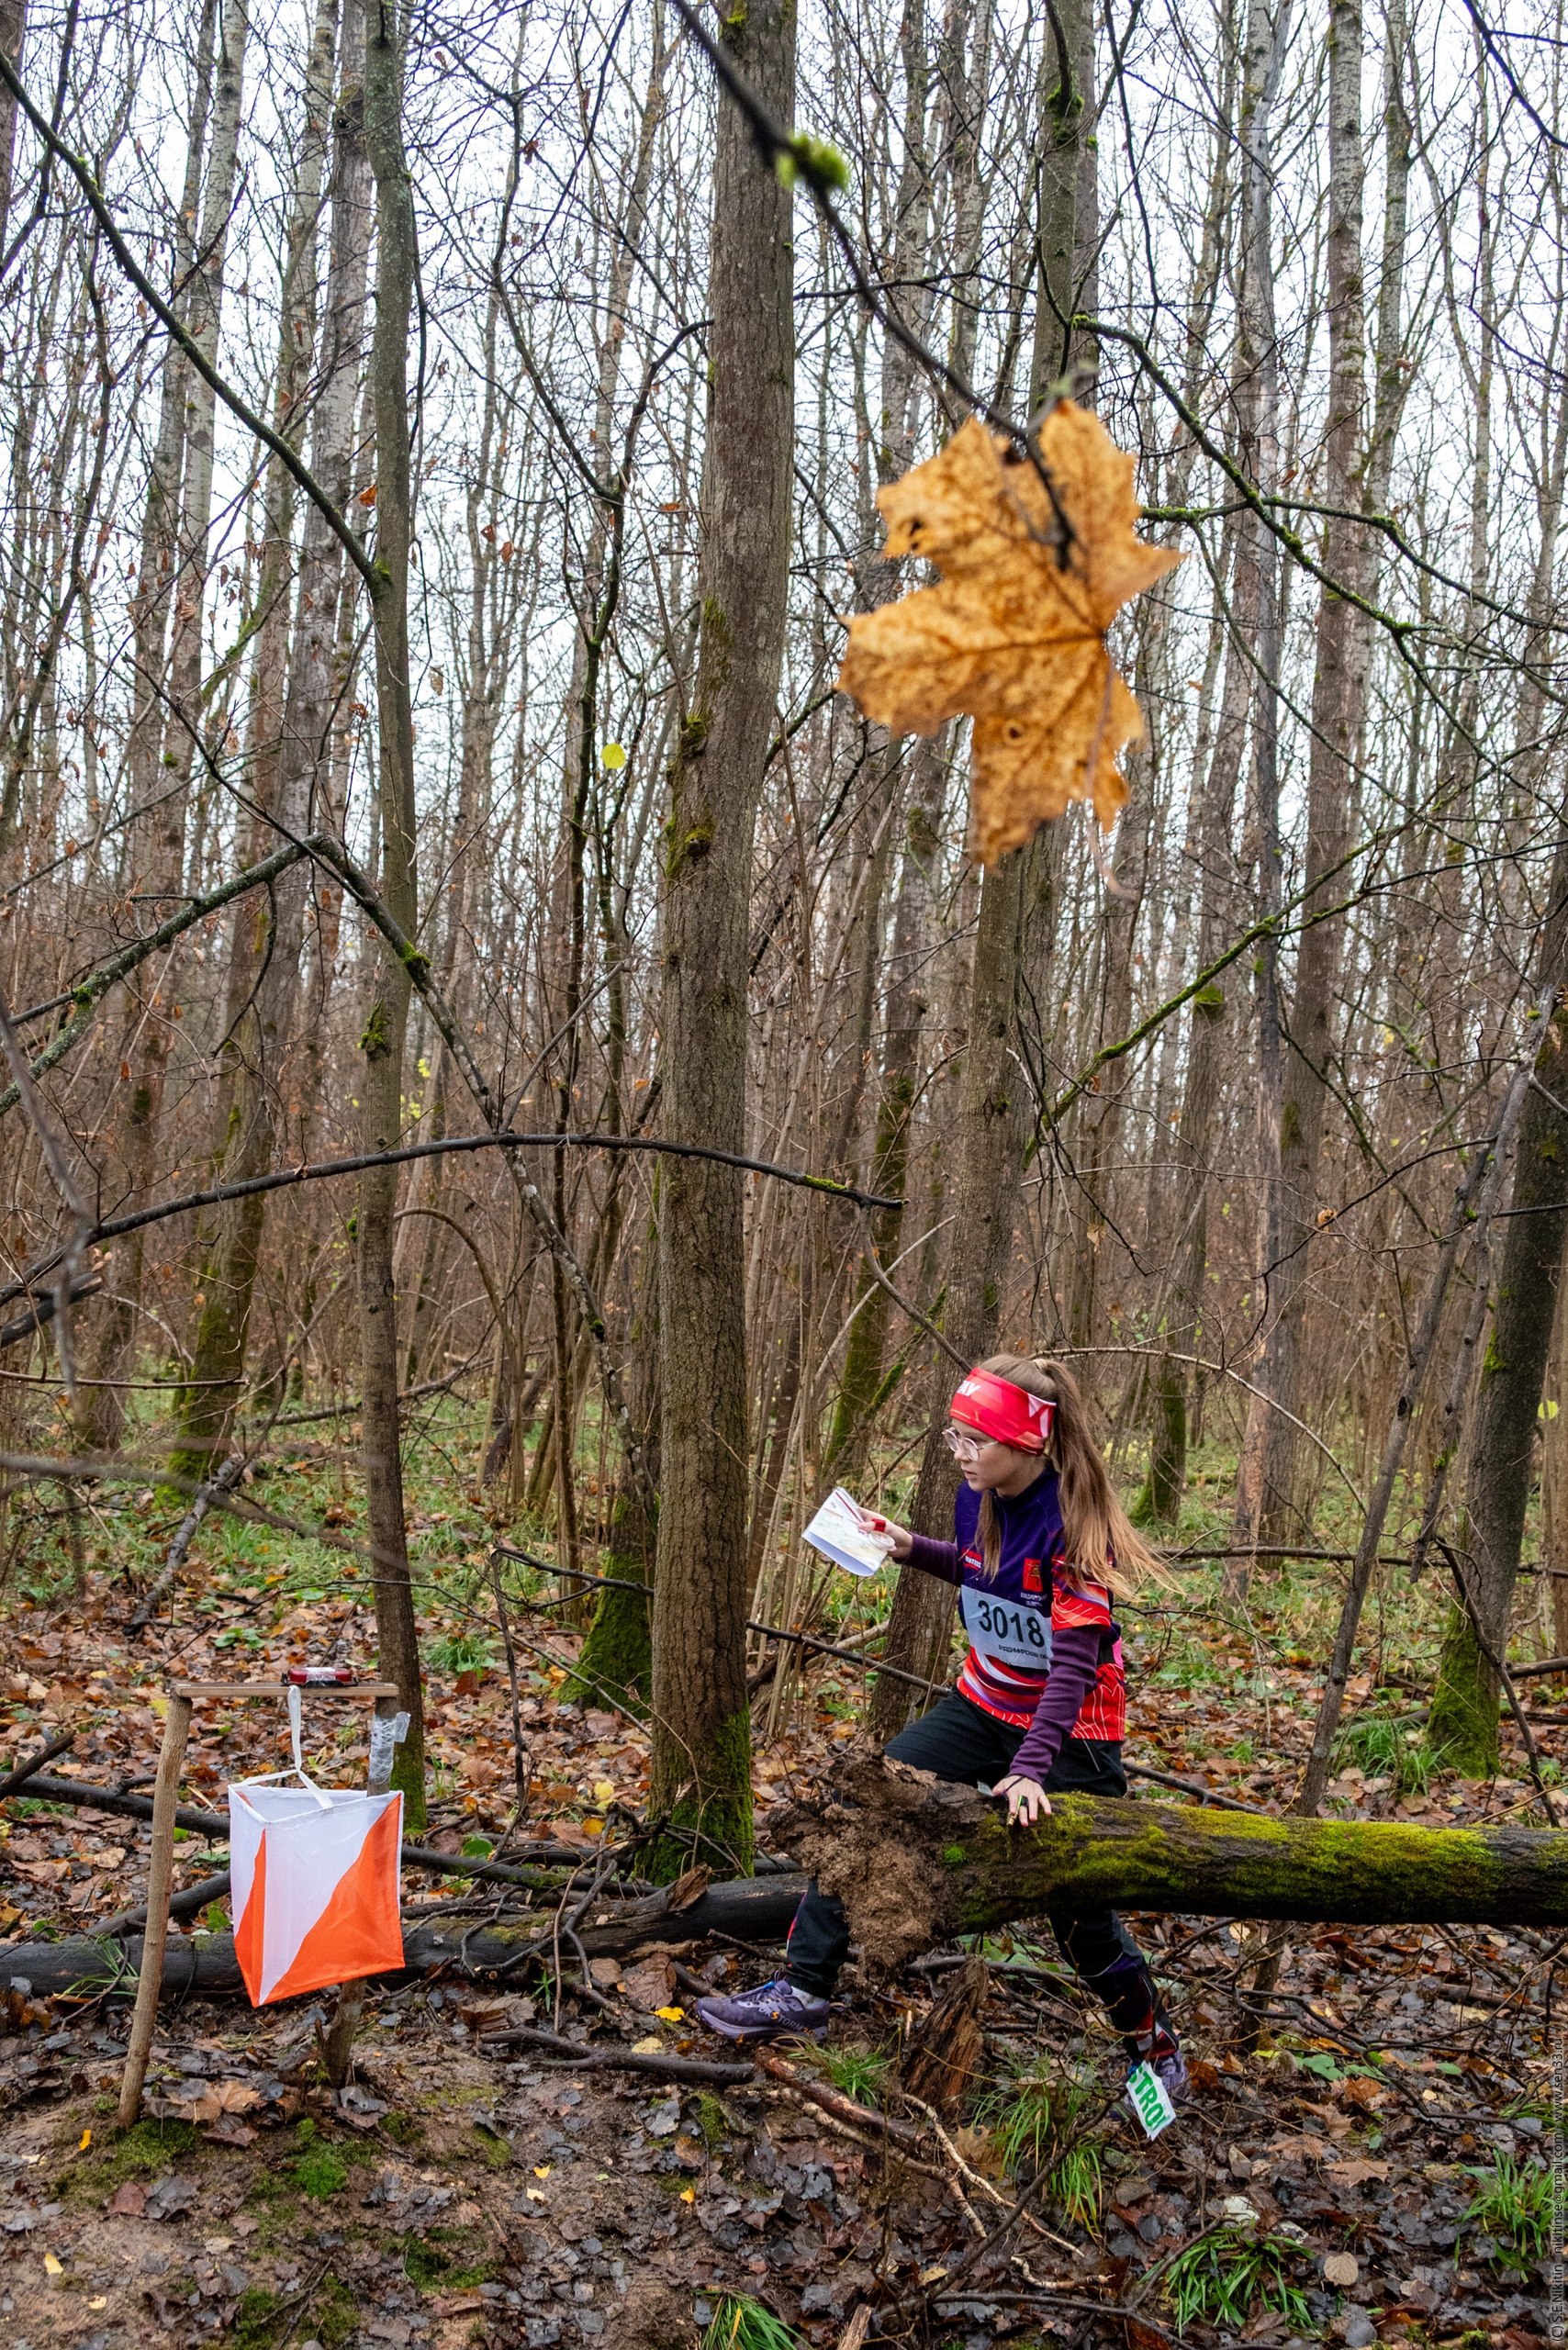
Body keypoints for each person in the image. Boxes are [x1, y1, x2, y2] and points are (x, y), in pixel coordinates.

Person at [696, 1354, 1187, 2106]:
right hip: (981, 1704)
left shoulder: (1074, 1527)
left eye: (973, 1440)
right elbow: (980, 1570)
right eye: (953, 1436)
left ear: (1026, 1443)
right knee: (863, 1809)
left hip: (1070, 1733)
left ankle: (1149, 2044)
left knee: (1079, 1910)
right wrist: (909, 1547)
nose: (957, 1453)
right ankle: (802, 1991)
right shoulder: (977, 1497)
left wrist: (1027, 1768)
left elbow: (1075, 1667)